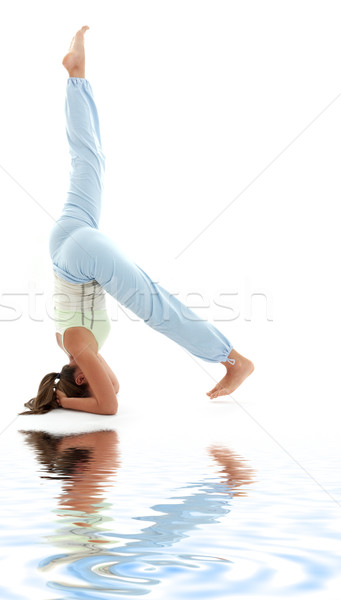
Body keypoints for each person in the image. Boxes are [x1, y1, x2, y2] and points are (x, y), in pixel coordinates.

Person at [20, 26, 254, 417]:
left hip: (81, 257)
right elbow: (112, 387)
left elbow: (109, 404)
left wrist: (64, 404)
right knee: (89, 162)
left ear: (79, 380)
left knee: (155, 306)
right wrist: (68, 397)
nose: (97, 377)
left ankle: (232, 360)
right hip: (65, 243)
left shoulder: (78, 346)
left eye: (86, 381)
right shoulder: (77, 348)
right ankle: (76, 76)